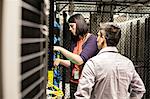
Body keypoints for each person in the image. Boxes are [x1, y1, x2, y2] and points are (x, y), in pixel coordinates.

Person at [74, 23, 146, 99]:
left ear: (103, 38)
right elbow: (139, 89)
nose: (96, 39)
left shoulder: (93, 63)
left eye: (98, 35)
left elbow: (82, 95)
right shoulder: (127, 63)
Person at [53, 14, 98, 99]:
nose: (70, 29)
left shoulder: (92, 40)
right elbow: (74, 63)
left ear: (79, 24)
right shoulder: (76, 40)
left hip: (86, 84)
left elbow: (80, 60)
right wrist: (60, 61)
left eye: (72, 26)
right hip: (74, 82)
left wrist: (60, 49)